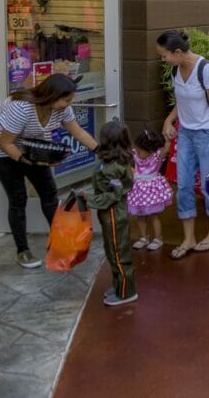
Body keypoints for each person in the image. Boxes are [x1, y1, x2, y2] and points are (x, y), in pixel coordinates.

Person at [0, 73, 99, 267]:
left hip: (32, 147)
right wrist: (30, 163)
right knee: (18, 198)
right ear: (51, 96)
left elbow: (78, 132)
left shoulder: (62, 110)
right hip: (1, 152)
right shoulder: (21, 108)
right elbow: (6, 143)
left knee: (49, 194)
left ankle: (60, 243)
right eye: (66, 100)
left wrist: (100, 150)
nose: (68, 105)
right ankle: (23, 251)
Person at [157, 30, 209, 260]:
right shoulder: (176, 70)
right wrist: (169, 120)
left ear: (178, 52)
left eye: (164, 55)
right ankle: (188, 238)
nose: (163, 59)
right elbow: (181, 101)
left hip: (207, 134)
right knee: (184, 185)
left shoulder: (205, 70)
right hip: (185, 133)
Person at [89, 120, 137, 306]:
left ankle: (127, 291)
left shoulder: (114, 168)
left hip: (114, 215)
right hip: (109, 216)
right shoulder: (114, 163)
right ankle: (119, 285)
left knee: (119, 254)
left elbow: (113, 196)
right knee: (112, 252)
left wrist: (88, 199)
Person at [127, 129, 173, 251]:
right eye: (136, 149)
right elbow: (126, 148)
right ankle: (143, 237)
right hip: (138, 190)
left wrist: (168, 139)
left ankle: (158, 238)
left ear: (150, 150)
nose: (136, 152)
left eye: (139, 150)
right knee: (140, 215)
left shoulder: (157, 156)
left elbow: (166, 149)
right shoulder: (135, 155)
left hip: (151, 191)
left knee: (154, 215)